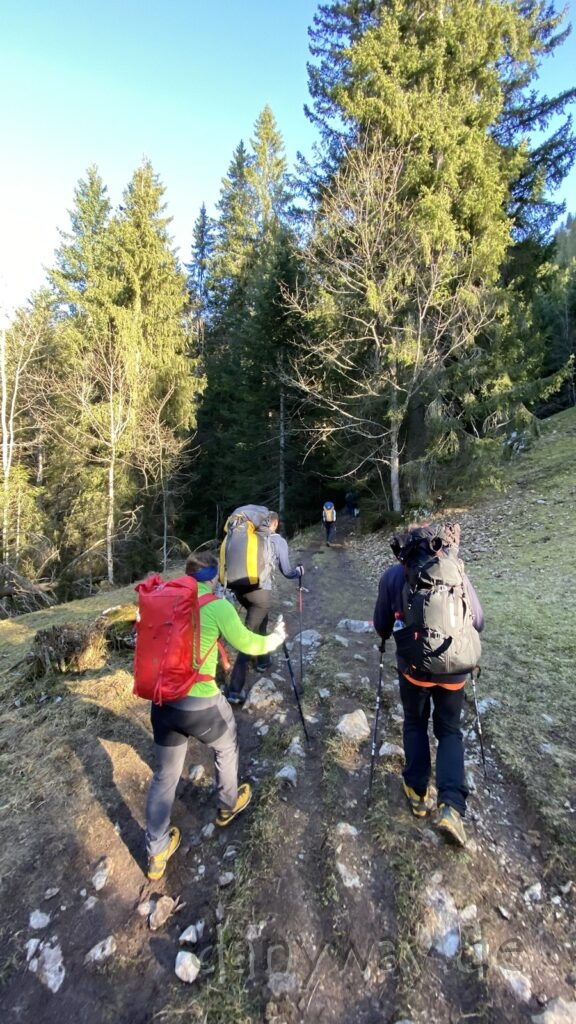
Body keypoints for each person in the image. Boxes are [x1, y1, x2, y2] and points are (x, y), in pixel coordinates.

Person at [144, 550, 287, 881]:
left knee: (164, 776)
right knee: (226, 745)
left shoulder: (167, 601)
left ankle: (156, 852)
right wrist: (276, 638)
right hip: (200, 702)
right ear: (213, 578)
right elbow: (248, 644)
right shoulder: (217, 606)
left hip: (163, 701)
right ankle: (227, 805)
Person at [373, 522, 484, 847]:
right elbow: (478, 620)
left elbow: (381, 626)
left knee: (415, 723)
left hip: (414, 670)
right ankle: (450, 807)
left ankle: (418, 793)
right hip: (454, 671)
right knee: (449, 731)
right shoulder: (454, 571)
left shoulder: (394, 576)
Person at [227, 511, 304, 704]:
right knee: (248, 634)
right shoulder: (278, 540)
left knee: (261, 620)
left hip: (240, 591)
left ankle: (263, 660)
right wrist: (299, 572)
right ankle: (235, 690)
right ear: (275, 524)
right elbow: (287, 571)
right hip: (260, 594)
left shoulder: (250, 539)